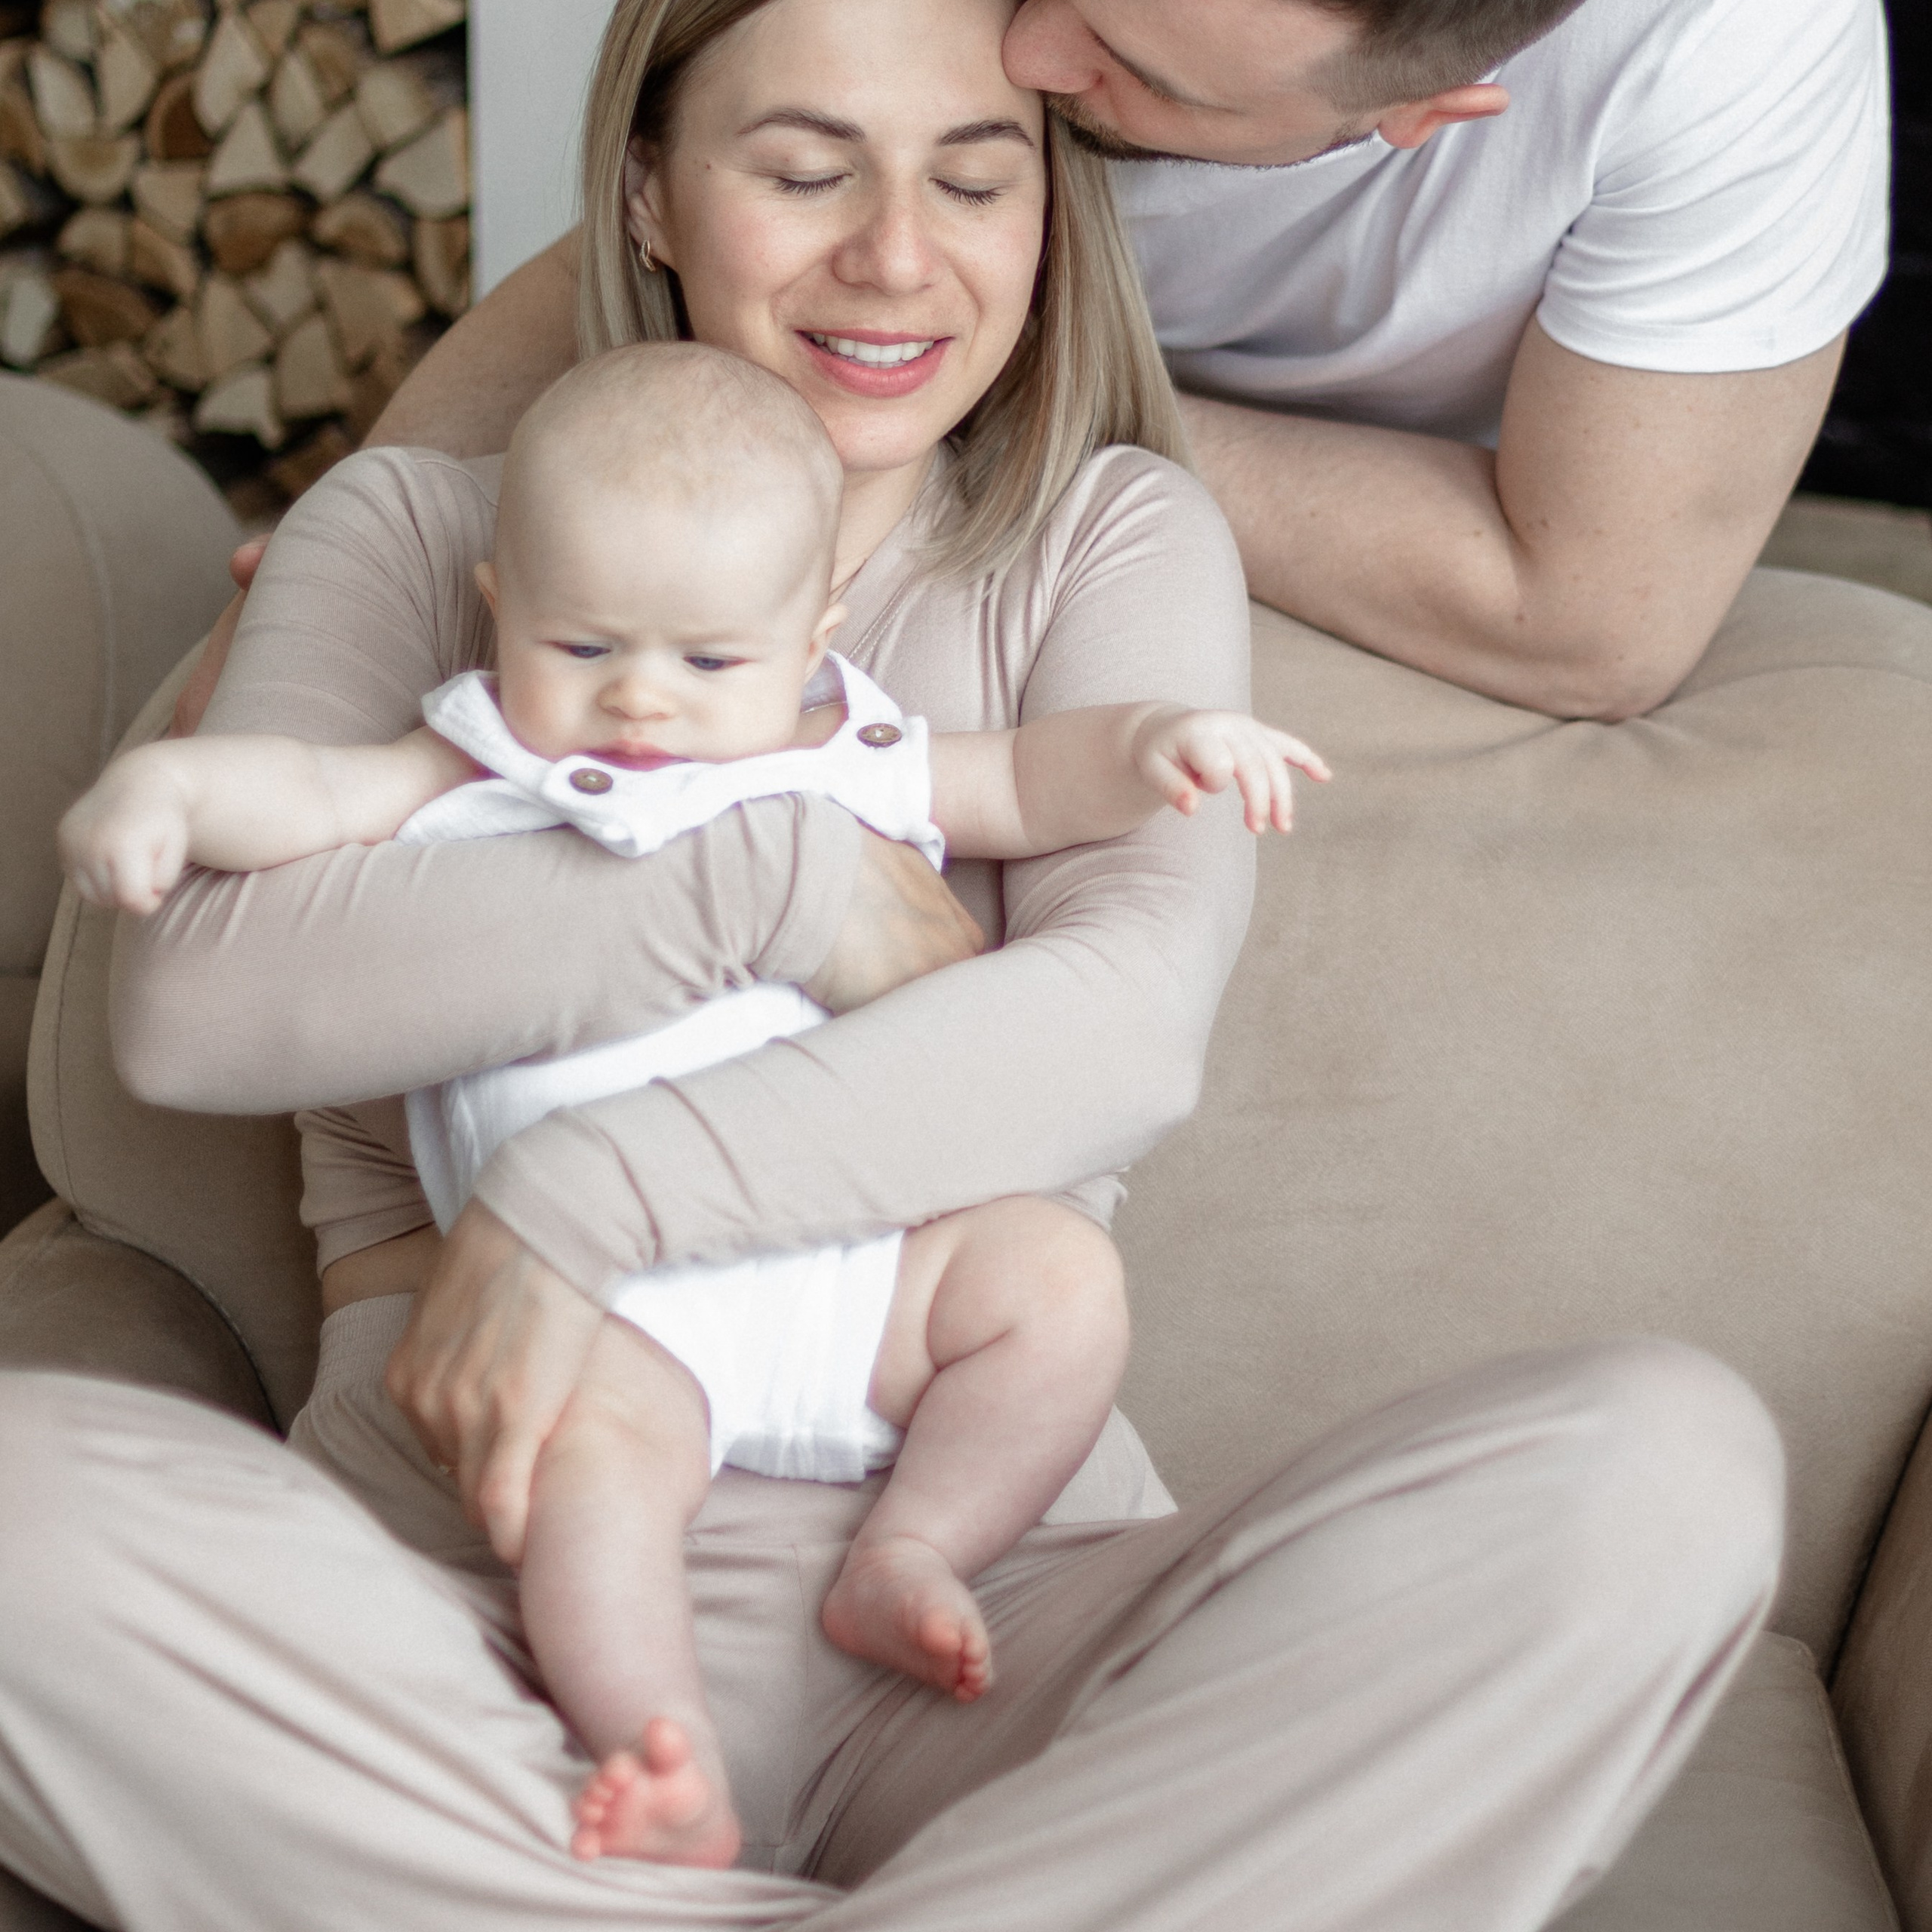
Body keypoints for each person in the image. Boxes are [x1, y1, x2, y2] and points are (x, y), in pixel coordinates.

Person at [0, 1, 1782, 1927]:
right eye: (801, 169)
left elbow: (1119, 1029)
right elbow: (199, 1005)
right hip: (465, 1589)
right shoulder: (424, 530)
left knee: (1656, 1469)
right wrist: (772, 885)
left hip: (983, 1602)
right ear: (646, 192)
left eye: (975, 181)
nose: (895, 256)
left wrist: (583, 1200)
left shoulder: (1104, 538)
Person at [57, 339, 1324, 1869]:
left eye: (710, 664)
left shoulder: (851, 743)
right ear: (500, 607)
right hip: (619, 1324)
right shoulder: (483, 754)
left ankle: (916, 1546)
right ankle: (666, 1759)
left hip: (858, 1275)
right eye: (584, 644)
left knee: (1057, 1284)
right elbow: (308, 803)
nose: (641, 701)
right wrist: (172, 794)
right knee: (588, 1478)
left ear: (814, 640)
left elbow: (1030, 784)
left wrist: (1160, 746)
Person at [351, 0, 1887, 726]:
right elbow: (727, 210)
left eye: (1129, 71)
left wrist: (1003, 386)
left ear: (1427, 112)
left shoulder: (1731, 53)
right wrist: (373, 531)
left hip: (1343, 559)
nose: (1026, 56)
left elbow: (1592, 623)